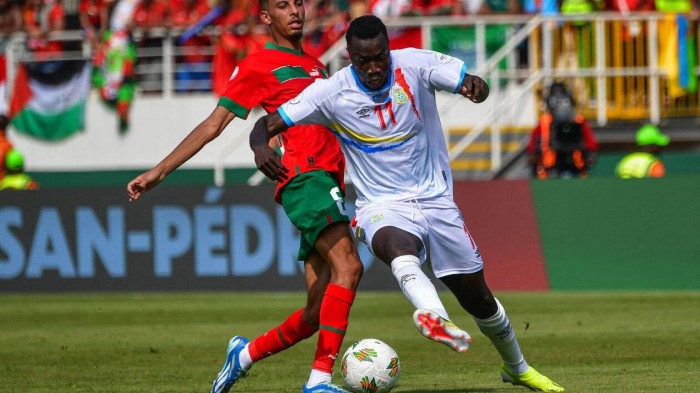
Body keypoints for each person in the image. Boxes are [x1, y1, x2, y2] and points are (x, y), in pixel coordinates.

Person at [250, 15, 565, 392]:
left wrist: (473, 88)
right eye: (363, 61)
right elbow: (266, 124)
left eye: (380, 57)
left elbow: (468, 82)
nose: (373, 68)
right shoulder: (331, 92)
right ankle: (434, 316)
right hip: (380, 205)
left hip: (436, 200)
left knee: (479, 298)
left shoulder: (414, 64)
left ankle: (517, 367)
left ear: (389, 50)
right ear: (349, 57)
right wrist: (258, 147)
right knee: (397, 246)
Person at [126, 0, 366, 392]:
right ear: (266, 18)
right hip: (305, 178)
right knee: (350, 267)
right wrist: (159, 171)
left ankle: (244, 354)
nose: (295, 11)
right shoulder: (258, 64)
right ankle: (319, 382)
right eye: (282, 5)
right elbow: (213, 124)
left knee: (315, 313)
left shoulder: (318, 67)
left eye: (299, 3)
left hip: (329, 179)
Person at [527, 82, 598, 179]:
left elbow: (591, 145)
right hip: (550, 171)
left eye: (561, 95)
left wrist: (589, 155)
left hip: (576, 169)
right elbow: (532, 148)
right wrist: (536, 157)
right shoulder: (544, 122)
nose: (559, 101)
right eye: (555, 95)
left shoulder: (578, 121)